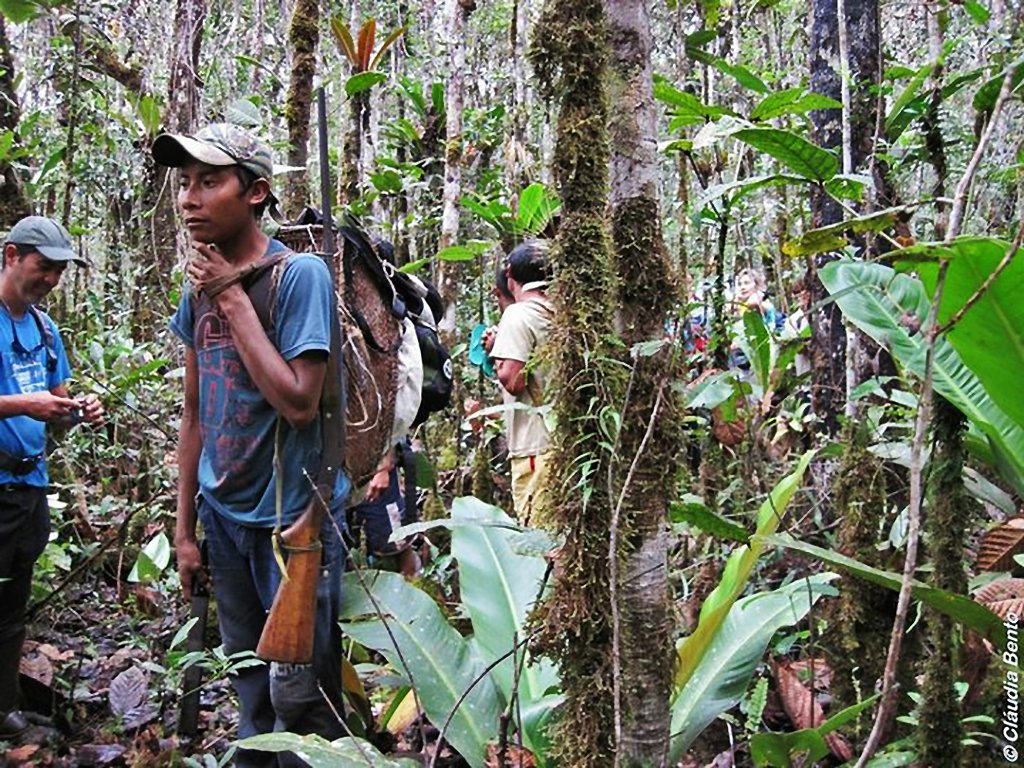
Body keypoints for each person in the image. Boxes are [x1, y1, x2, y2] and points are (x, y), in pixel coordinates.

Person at [153, 123, 350, 766]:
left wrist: (231, 296)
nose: (189, 198)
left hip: (291, 525)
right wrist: (185, 530)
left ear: (257, 192)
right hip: (226, 519)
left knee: (301, 695)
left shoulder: (300, 279)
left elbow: (299, 402)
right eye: (185, 183)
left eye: (209, 181)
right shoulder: (199, 289)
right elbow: (195, 414)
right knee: (248, 684)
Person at [0, 216, 104, 744]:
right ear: (13, 255)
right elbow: (29, 402)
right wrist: (25, 403)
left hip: (29, 487)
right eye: (44, 267)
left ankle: (5, 710)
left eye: (60, 271)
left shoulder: (44, 330)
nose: (52, 280)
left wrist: (79, 408)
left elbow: (57, 403)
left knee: (12, 607)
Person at [483, 240, 554, 529]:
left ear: (509, 272)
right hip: (563, 440)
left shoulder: (518, 313)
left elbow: (513, 380)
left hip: (535, 446)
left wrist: (498, 350)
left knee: (539, 538)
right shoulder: (559, 311)